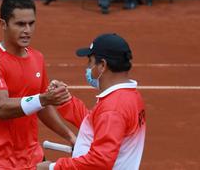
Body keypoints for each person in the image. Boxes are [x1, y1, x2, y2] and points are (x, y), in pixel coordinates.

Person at [0, 0, 76, 170]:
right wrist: (44, 98)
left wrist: (70, 136)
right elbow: (1, 108)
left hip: (33, 160)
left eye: (31, 23)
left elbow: (42, 107)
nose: (27, 30)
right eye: (20, 24)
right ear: (3, 24)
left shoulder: (37, 58)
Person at [37, 33, 146, 170]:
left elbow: (99, 162)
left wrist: (52, 167)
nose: (88, 67)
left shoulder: (113, 108)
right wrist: (65, 101)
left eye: (90, 61)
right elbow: (98, 123)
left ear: (102, 65)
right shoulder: (129, 96)